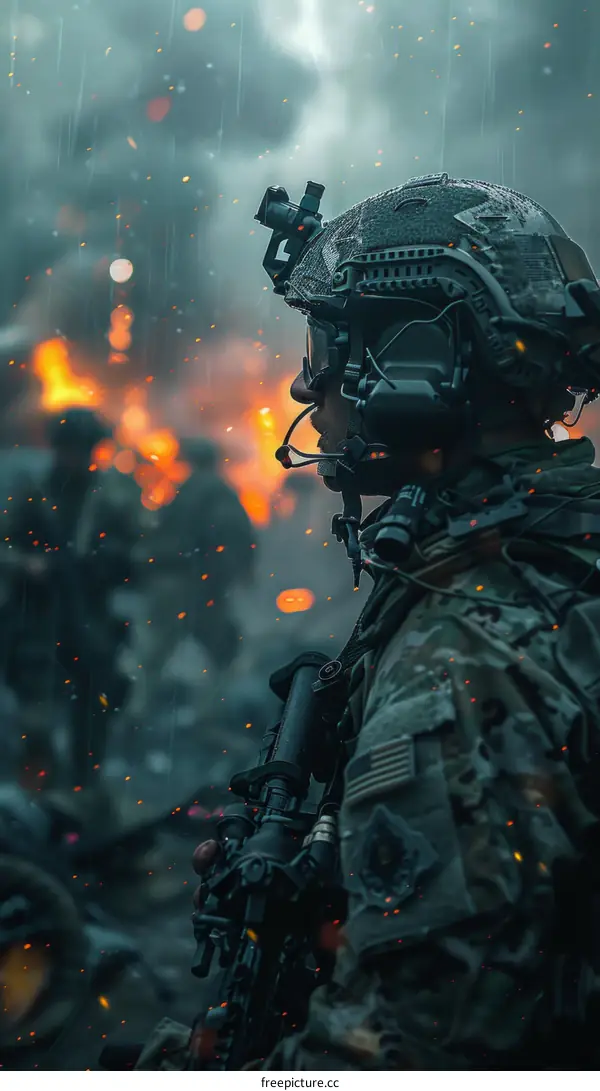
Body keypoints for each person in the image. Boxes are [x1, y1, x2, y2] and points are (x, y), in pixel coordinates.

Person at [142, 175, 600, 1070]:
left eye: (328, 347)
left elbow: (410, 1052)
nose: (309, 384)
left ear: (417, 363)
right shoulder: (548, 555)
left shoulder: (467, 656)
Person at [0, 407, 147, 795]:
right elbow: (5, 544)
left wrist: (105, 560)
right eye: (69, 449)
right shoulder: (33, 491)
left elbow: (137, 553)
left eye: (84, 450)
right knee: (36, 711)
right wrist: (27, 563)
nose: (76, 458)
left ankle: (83, 790)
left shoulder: (111, 495)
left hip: (90, 617)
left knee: (93, 706)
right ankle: (36, 793)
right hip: (37, 615)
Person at [126, 435, 255, 729]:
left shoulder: (185, 492)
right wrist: (229, 577)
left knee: (156, 650)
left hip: (171, 584)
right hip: (196, 585)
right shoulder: (216, 491)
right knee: (223, 650)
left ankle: (137, 714)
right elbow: (233, 536)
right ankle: (205, 715)